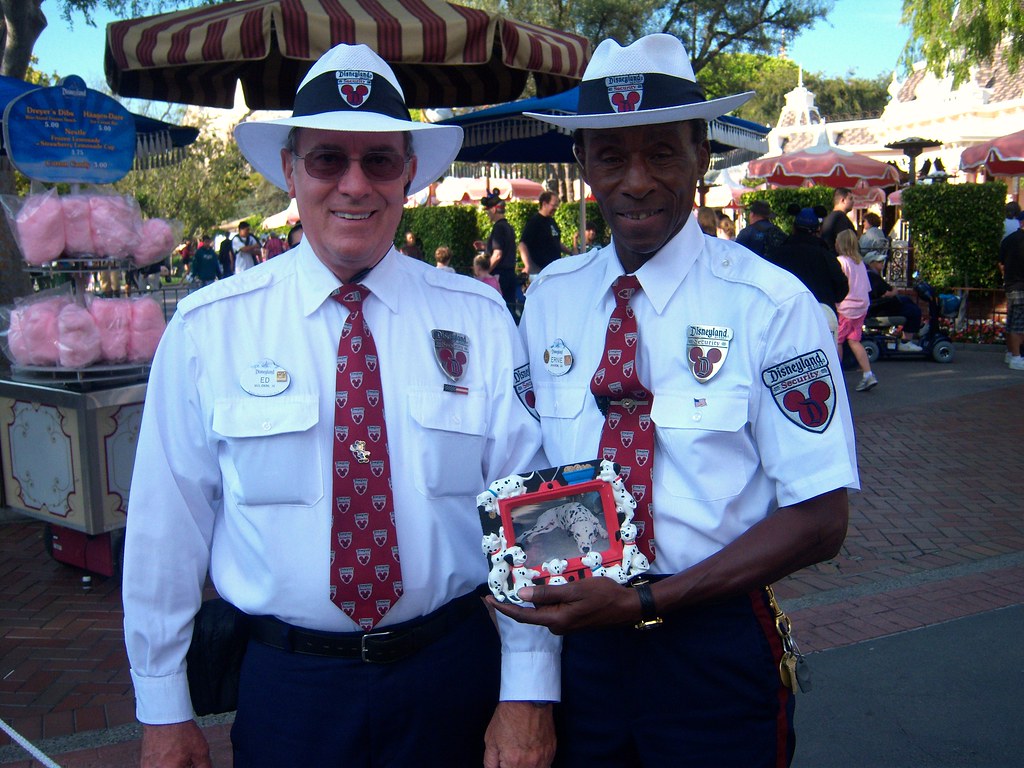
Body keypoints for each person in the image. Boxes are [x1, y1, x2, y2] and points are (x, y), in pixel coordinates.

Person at [122, 43, 557, 768]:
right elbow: (168, 531)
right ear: (290, 169)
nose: (354, 185)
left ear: (409, 172)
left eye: (379, 160)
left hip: (453, 675)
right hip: (290, 689)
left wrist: (530, 692)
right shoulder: (208, 329)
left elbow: (531, 518)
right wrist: (163, 709)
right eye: (328, 159)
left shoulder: (480, 319)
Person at [501, 33, 858, 767]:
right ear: (583, 165)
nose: (636, 181)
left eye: (662, 152)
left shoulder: (769, 305)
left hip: (713, 648)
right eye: (611, 154)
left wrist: (644, 603)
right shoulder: (551, 300)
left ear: (702, 155)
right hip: (584, 649)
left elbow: (822, 520)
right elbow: (537, 472)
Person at [765, 207, 849, 343]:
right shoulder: (826, 256)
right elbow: (841, 289)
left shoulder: (777, 255)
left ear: (794, 228)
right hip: (820, 319)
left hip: (785, 321)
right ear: (818, 230)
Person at [835, 229, 878, 391]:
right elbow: (867, 287)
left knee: (838, 340)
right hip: (861, 307)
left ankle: (837, 377)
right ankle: (868, 374)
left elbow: (839, 284)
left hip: (846, 307)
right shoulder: (860, 263)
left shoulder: (841, 262)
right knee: (854, 341)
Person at [863, 252, 923, 352]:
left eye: (882, 261)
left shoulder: (872, 275)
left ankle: (911, 333)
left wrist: (892, 292)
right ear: (871, 263)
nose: (882, 263)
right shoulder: (872, 276)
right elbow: (888, 292)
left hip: (881, 306)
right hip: (879, 308)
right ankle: (906, 342)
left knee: (907, 300)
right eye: (879, 262)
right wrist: (893, 292)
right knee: (913, 310)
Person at [481, 191, 519, 309]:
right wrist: (485, 247)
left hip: (499, 277)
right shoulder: (508, 227)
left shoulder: (498, 228)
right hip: (510, 274)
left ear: (493, 210)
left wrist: (485, 272)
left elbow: (497, 254)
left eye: (488, 211)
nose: (487, 214)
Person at [519, 191, 570, 277]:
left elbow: (556, 241)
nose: (556, 208)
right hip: (540, 270)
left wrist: (570, 252)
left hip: (554, 269)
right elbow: (522, 244)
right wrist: (528, 265)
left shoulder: (551, 221)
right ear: (544, 204)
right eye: (553, 205)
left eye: (557, 205)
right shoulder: (535, 222)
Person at [999, 223, 1024, 370]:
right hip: (1022, 286)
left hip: (1010, 285)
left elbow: (1001, 264)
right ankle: (1016, 357)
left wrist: (1006, 278)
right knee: (1019, 325)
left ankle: (1010, 353)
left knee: (1012, 321)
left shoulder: (1007, 240)